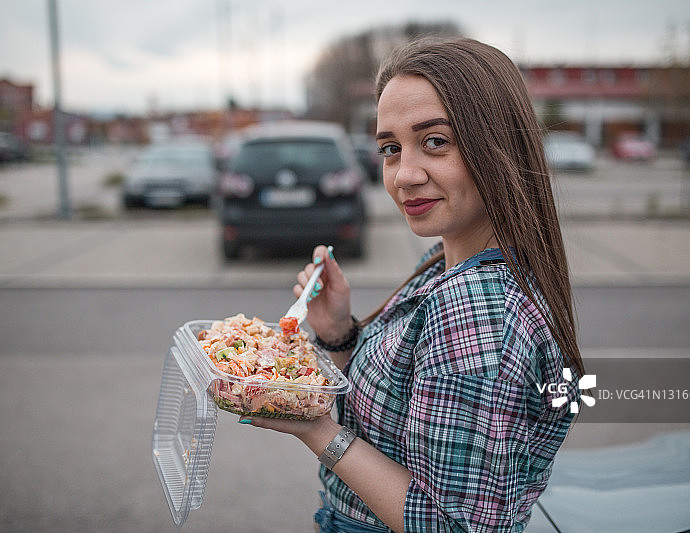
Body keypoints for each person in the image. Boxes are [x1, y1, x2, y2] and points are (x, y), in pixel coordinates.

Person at [237, 36, 586, 533]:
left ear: (499, 145)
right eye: (390, 148)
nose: (404, 174)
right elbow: (398, 417)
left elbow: (452, 526)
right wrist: (339, 333)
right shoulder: (445, 262)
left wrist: (317, 430)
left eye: (435, 141)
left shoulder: (475, 308)